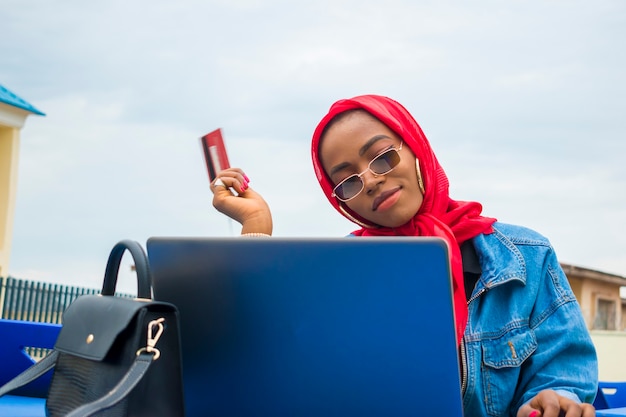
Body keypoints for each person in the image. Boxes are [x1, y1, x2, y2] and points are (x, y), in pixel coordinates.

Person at [211, 94, 598, 417]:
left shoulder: (526, 258)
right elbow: (262, 359)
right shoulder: (336, 274)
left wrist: (551, 403)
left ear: (416, 149)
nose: (371, 180)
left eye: (381, 157)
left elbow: (563, 374)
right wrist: (255, 224)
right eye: (347, 180)